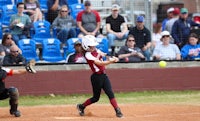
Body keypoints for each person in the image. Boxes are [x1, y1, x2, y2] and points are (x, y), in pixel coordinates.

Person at [77, 35, 123, 118]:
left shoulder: (96, 50)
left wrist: (112, 58)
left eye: (94, 45)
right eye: (91, 46)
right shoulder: (88, 55)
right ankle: (81, 106)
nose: (94, 47)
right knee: (96, 98)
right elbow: (100, 63)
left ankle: (117, 110)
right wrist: (110, 62)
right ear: (86, 47)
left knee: (110, 93)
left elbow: (103, 54)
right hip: (96, 78)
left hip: (103, 75)